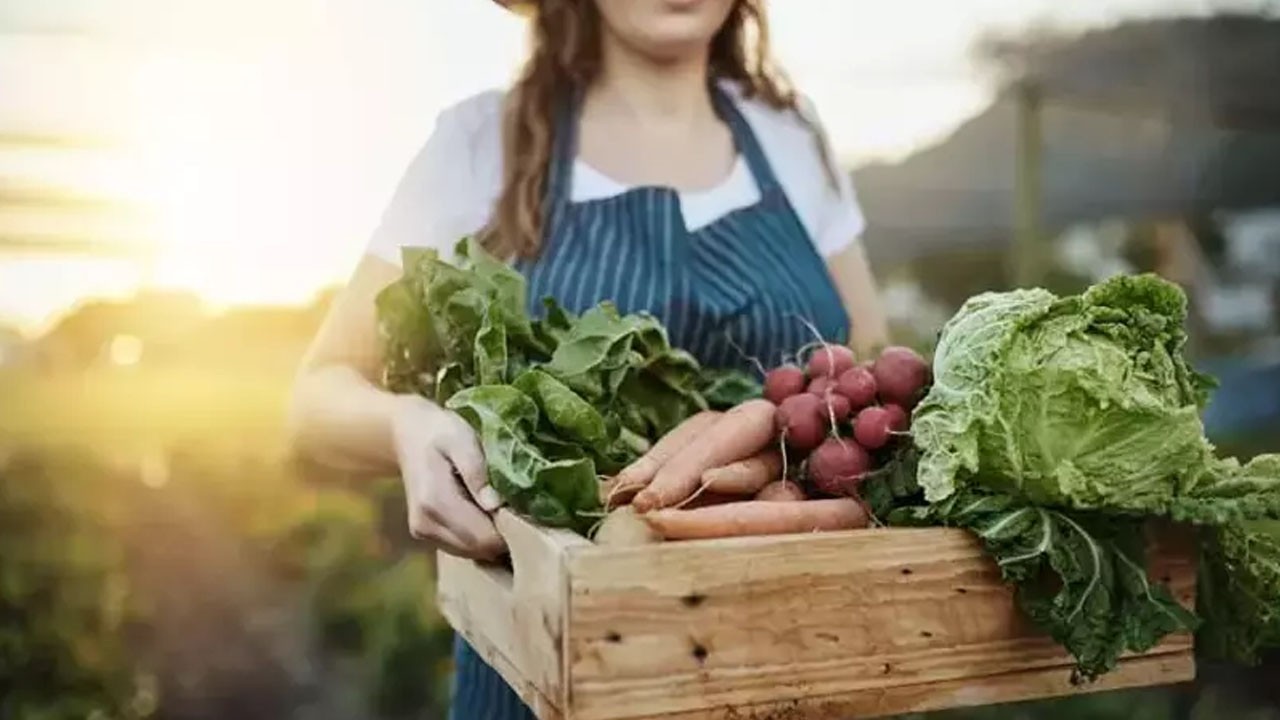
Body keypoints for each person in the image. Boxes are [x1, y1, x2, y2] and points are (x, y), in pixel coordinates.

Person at [288, 0, 889, 717]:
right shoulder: (483, 142)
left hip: (796, 662)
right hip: (548, 672)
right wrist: (407, 425)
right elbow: (315, 397)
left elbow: (869, 369)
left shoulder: (790, 136)